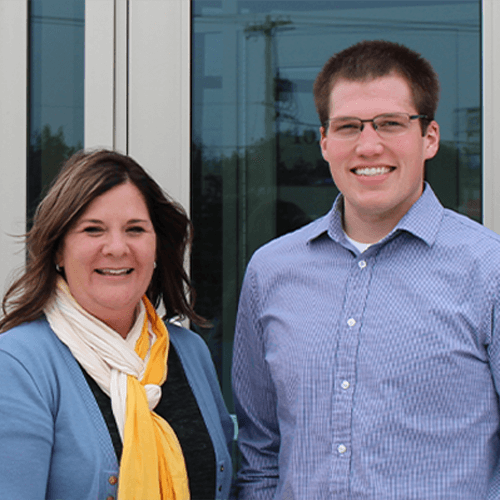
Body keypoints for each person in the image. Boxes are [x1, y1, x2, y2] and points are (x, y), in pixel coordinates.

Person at [232, 40, 500, 499]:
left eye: (391, 124)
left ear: (429, 137)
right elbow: (259, 453)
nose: (368, 145)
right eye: (349, 126)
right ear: (324, 141)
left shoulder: (488, 269)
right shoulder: (271, 272)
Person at [0, 149, 234, 500]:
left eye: (135, 229)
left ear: (156, 247)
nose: (116, 248)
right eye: (93, 230)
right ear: (59, 251)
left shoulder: (189, 351)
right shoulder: (18, 364)